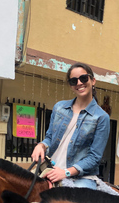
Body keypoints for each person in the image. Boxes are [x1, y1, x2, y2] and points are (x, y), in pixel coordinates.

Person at [31, 62, 110, 190]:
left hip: (81, 177)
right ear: (71, 85)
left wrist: (65, 172)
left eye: (83, 78)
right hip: (50, 169)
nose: (79, 83)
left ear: (93, 80)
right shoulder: (59, 107)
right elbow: (50, 137)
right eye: (74, 81)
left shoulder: (101, 117)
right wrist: (41, 145)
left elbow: (94, 157)